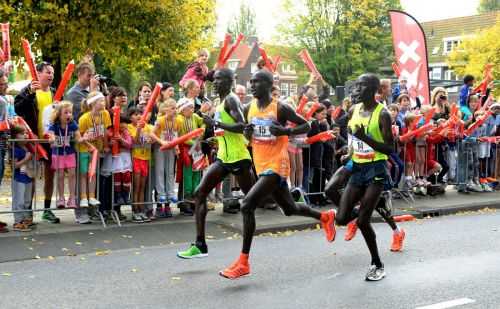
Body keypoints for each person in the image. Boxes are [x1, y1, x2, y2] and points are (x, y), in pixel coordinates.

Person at [218, 70, 335, 280]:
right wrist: (246, 132)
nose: (252, 86)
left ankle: (243, 262)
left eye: (257, 82)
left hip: (278, 164)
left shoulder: (280, 107)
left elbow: (305, 125)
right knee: (289, 209)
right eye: (251, 82)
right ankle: (325, 217)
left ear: (268, 85)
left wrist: (284, 132)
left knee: (247, 205)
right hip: (261, 164)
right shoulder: (248, 108)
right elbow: (246, 131)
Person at [177, 68, 256, 259]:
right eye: (215, 79)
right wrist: (215, 138)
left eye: (221, 79)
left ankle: (291, 199)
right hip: (223, 157)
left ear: (230, 81)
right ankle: (200, 244)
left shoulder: (231, 99)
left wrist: (215, 123)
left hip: (238, 157)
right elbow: (226, 132)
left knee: (255, 199)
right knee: (200, 192)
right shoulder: (220, 102)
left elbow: (241, 126)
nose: (216, 82)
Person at [334, 73, 394, 281]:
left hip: (376, 169)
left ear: (373, 90)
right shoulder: (354, 109)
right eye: (355, 87)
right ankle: (376, 204)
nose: (355, 91)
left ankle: (377, 264)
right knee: (341, 218)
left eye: (360, 87)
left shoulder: (383, 114)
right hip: (358, 167)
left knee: (362, 221)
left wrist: (365, 138)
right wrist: (347, 150)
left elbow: (390, 148)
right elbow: (352, 136)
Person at [14, 62, 60, 224]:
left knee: (50, 175)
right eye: (48, 72)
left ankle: (47, 210)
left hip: (49, 140)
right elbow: (17, 107)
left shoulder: (55, 93)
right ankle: (28, 212)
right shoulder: (29, 89)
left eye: (52, 73)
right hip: (33, 139)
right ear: (38, 74)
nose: (51, 75)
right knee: (31, 176)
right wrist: (29, 93)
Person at [128, 107, 163, 222]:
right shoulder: (130, 127)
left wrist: (152, 139)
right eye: (135, 114)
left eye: (140, 113)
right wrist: (139, 129)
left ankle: (141, 209)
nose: (138, 116)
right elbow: (136, 140)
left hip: (146, 159)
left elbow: (156, 134)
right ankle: (135, 211)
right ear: (130, 117)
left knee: (143, 186)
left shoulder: (148, 127)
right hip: (136, 158)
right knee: (136, 186)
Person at [78, 91, 111, 207]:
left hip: (96, 150)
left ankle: (91, 196)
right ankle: (83, 197)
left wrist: (106, 145)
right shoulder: (84, 118)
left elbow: (106, 132)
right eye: (101, 101)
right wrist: (89, 145)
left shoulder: (105, 114)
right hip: (84, 150)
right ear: (93, 103)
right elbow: (80, 136)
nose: (104, 103)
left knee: (93, 173)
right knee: (83, 173)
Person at [47, 101, 82, 209]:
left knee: (72, 174)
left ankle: (72, 198)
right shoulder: (55, 124)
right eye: (66, 113)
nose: (69, 115)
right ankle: (61, 198)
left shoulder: (72, 124)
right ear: (59, 114)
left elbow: (78, 136)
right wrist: (52, 138)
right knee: (60, 175)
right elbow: (51, 134)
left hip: (70, 153)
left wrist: (83, 139)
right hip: (58, 154)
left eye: (70, 112)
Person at [154, 99, 178, 218]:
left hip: (171, 148)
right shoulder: (160, 120)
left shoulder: (176, 121)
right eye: (173, 108)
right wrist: (161, 142)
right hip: (161, 148)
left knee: (169, 171)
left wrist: (176, 146)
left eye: (175, 108)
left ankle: (170, 193)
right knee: (160, 171)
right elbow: (152, 134)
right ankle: (161, 195)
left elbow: (175, 135)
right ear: (166, 109)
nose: (175, 111)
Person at [11, 126, 34, 232]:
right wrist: (26, 159)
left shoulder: (27, 148)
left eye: (26, 133)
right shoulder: (15, 149)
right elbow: (14, 165)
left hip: (27, 177)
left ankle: (25, 219)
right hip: (19, 178)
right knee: (19, 200)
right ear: (15, 136)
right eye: (22, 133)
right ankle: (18, 221)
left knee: (27, 199)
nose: (25, 135)